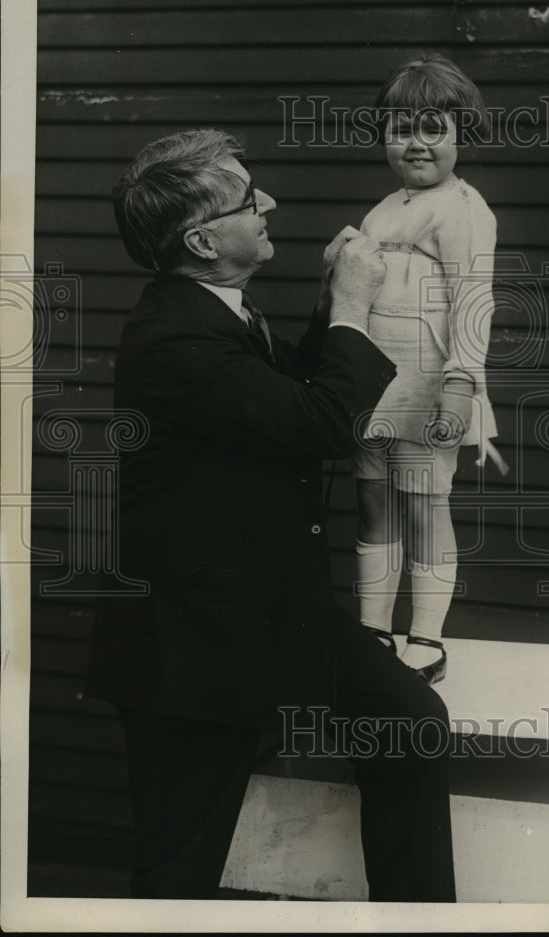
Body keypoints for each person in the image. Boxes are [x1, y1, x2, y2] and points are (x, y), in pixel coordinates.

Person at [85, 128, 456, 902]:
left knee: (407, 724)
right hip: (188, 643)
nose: (271, 205)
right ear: (203, 237)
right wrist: (352, 303)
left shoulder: (221, 312)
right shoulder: (172, 335)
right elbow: (318, 423)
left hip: (269, 609)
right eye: (250, 200)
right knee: (178, 867)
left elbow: (291, 392)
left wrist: (329, 306)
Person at [350, 56, 507, 684]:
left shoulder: (463, 209)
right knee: (372, 497)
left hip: (426, 381)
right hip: (372, 380)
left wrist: (460, 385)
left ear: (459, 132)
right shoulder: (385, 208)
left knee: (421, 501)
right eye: (399, 128)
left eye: (432, 128)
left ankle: (427, 637)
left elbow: (474, 299)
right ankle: (372, 629)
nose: (415, 142)